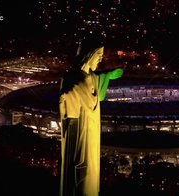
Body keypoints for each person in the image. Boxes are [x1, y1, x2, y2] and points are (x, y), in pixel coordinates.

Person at [59, 35, 123, 196]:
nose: (100, 60)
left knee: (92, 169)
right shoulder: (72, 78)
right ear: (88, 55)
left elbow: (97, 91)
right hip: (80, 134)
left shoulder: (91, 77)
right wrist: (68, 95)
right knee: (81, 173)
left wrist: (108, 75)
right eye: (98, 56)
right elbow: (67, 100)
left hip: (92, 133)